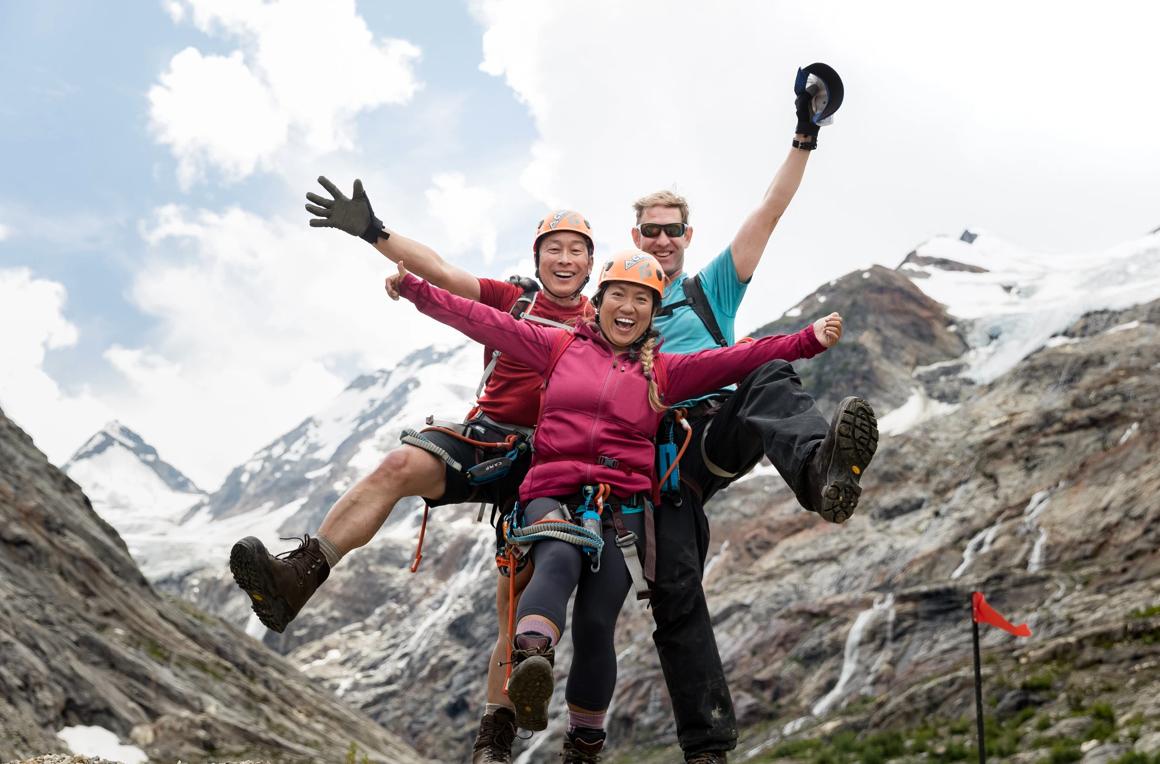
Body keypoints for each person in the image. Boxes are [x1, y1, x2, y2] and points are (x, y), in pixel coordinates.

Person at [384, 249, 842, 760]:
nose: (628, 307)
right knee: (557, 558)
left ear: (653, 312)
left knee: (597, 622)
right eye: (618, 295)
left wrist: (809, 339)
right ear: (598, 302)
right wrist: (417, 290)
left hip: (621, 507)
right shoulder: (557, 344)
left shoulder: (665, 372)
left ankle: (583, 745)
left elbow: (739, 359)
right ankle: (533, 657)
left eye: (642, 299)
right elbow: (482, 320)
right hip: (553, 491)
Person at [228, 189, 598, 764]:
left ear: (591, 263)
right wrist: (374, 232)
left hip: (549, 460)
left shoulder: (604, 321)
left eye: (577, 250)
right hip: (488, 438)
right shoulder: (515, 300)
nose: (565, 258)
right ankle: (298, 577)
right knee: (401, 463)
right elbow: (442, 271)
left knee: (514, 601)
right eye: (555, 248)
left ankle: (494, 742)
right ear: (538, 257)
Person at [628, 75, 879, 762]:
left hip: (721, 427)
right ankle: (709, 751)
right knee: (674, 593)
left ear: (687, 235)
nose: (661, 240)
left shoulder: (708, 289)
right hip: (660, 468)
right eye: (650, 230)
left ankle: (820, 471)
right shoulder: (615, 306)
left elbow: (771, 209)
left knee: (764, 365)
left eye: (671, 230)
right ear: (634, 236)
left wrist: (805, 134)